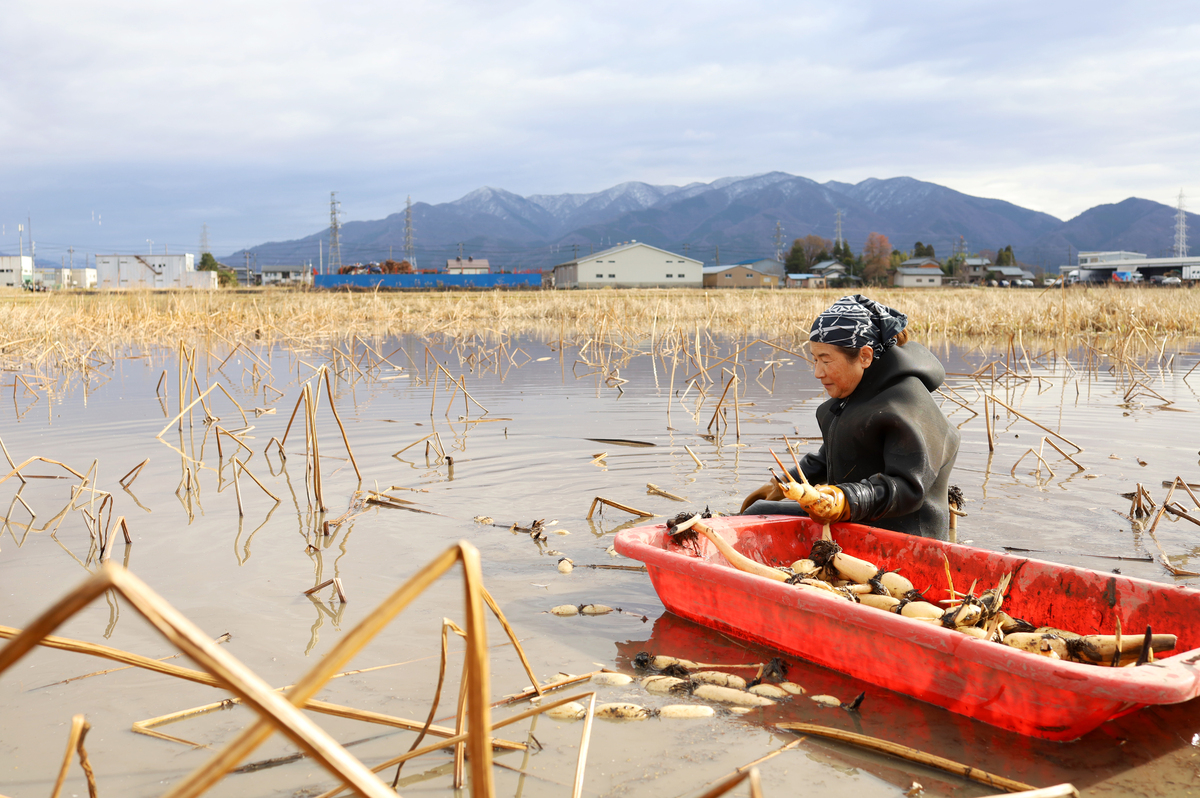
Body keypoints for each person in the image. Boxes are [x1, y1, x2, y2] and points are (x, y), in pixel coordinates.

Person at [740, 295, 960, 539]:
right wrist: (783, 484)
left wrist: (845, 500)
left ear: (865, 356)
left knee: (758, 515)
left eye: (826, 360)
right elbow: (833, 457)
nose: (817, 372)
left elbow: (908, 487)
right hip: (861, 521)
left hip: (906, 536)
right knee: (759, 511)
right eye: (815, 359)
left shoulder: (908, 405)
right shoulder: (856, 394)